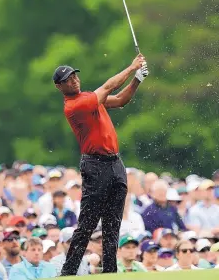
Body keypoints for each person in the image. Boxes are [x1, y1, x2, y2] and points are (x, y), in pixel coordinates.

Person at [54, 54, 149, 275]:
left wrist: (137, 80)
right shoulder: (75, 106)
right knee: (87, 225)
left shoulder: (89, 97)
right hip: (95, 165)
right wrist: (131, 67)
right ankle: (68, 272)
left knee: (112, 224)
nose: (74, 80)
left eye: (75, 76)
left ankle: (110, 273)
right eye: (68, 79)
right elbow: (108, 87)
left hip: (115, 163)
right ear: (60, 86)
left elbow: (120, 100)